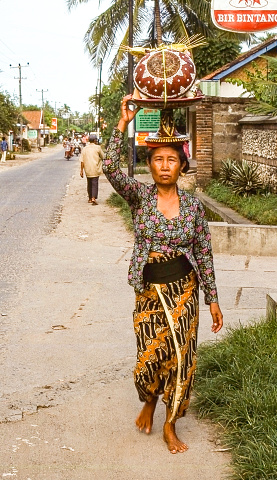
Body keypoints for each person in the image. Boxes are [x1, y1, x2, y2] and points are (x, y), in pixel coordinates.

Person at [102, 94, 223, 454]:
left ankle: (171, 422)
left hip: (185, 289)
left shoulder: (193, 208)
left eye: (172, 159)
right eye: (158, 159)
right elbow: (109, 167)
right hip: (149, 292)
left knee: (182, 357)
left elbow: (204, 252)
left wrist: (213, 300)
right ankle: (150, 400)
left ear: (182, 166)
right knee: (150, 355)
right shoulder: (138, 197)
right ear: (150, 166)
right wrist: (122, 122)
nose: (165, 165)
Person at [80, 134, 104, 204]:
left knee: (89, 183)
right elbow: (103, 156)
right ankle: (93, 198)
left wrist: (81, 171)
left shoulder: (85, 149)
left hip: (87, 169)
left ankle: (90, 198)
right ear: (94, 140)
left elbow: (82, 160)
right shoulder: (98, 148)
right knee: (95, 183)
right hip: (95, 168)